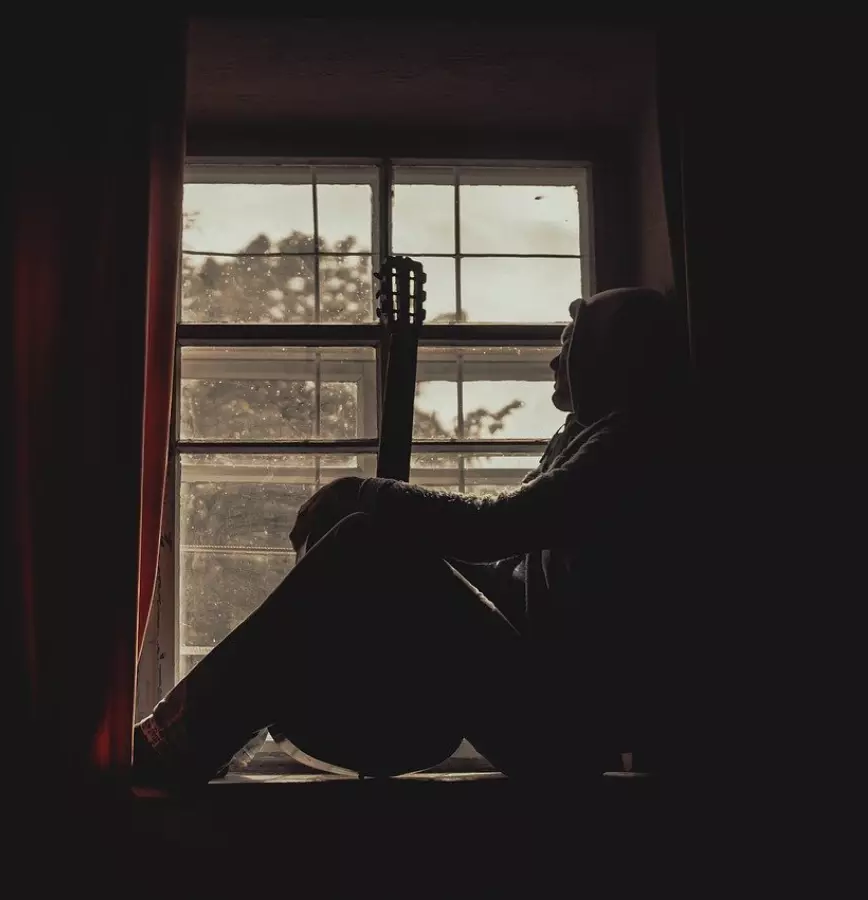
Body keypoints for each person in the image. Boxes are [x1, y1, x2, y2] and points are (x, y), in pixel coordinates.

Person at [134, 287, 692, 787]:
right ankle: (213, 729)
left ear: (610, 353)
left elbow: (497, 528)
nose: (553, 360)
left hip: (562, 728)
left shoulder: (630, 442)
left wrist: (367, 496)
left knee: (366, 541)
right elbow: (502, 569)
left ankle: (178, 737)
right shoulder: (591, 436)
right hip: (547, 708)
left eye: (570, 344)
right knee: (363, 539)